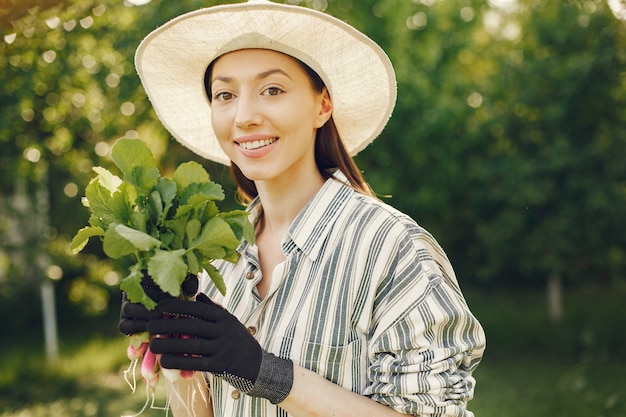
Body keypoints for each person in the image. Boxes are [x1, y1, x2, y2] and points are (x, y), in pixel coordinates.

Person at [119, 1, 486, 416]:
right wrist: (174, 340)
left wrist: (262, 371)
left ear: (322, 105)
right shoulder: (215, 259)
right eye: (225, 94)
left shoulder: (391, 249)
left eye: (272, 90)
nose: (244, 116)